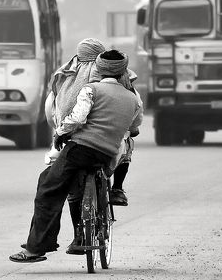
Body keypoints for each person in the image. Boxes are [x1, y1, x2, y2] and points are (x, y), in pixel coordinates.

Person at [9, 49, 143, 263]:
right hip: (107, 155)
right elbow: (135, 125)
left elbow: (77, 118)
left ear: (99, 69)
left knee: (48, 186)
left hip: (81, 149)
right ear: (123, 71)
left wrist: (60, 133)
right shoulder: (132, 98)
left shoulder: (91, 90)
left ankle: (37, 247)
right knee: (75, 182)